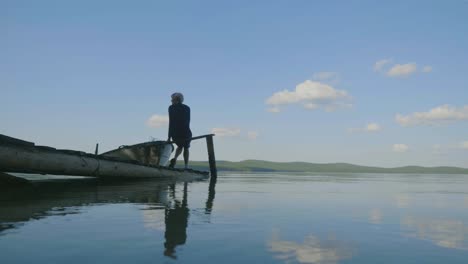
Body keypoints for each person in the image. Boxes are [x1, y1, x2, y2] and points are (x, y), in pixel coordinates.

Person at [167, 92, 192, 169]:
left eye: (172, 99)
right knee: (186, 147)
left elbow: (171, 122)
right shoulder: (187, 108)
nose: (171, 101)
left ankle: (175, 159)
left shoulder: (171, 108)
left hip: (175, 133)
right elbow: (187, 121)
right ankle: (186, 166)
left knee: (180, 146)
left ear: (176, 100)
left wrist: (169, 137)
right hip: (185, 131)